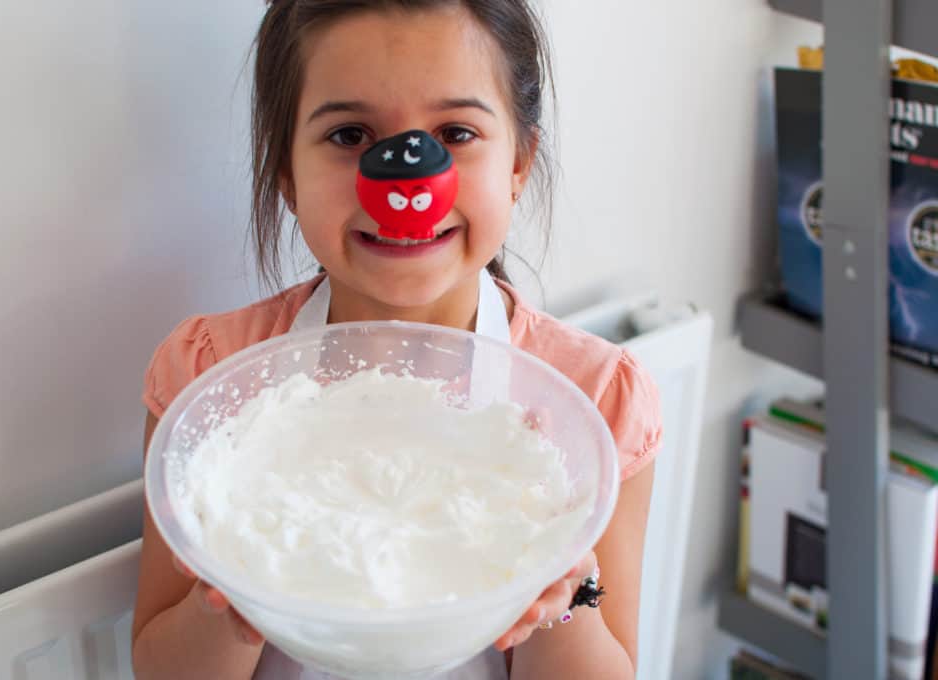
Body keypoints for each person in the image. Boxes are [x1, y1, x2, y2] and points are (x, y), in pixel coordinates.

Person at [130, 1, 662, 678]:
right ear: (286, 173)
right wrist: (228, 605)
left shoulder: (593, 406)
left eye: (456, 132)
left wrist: (561, 592)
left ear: (520, 161)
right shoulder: (209, 383)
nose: (406, 184)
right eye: (351, 134)